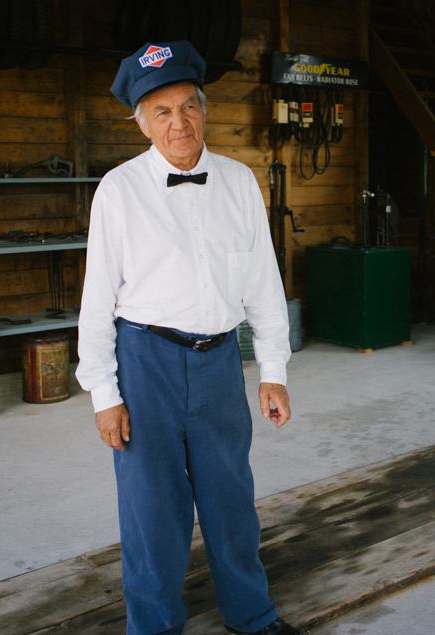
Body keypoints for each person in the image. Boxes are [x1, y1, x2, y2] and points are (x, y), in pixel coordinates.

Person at [76, 41, 301, 635]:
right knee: (153, 513)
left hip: (220, 362)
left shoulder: (238, 181)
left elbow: (263, 283)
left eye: (188, 107)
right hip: (144, 363)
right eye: (162, 112)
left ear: (203, 109)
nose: (179, 123)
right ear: (142, 123)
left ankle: (252, 616)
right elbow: (96, 302)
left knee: (232, 499)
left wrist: (273, 369)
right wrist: (104, 394)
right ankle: (153, 626)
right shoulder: (118, 192)